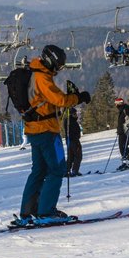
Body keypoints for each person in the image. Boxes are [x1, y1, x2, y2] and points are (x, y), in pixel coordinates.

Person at [17, 45, 90, 226]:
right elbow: (59, 99)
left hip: (35, 130)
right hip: (46, 129)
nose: (58, 70)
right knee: (57, 169)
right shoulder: (42, 77)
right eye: (57, 66)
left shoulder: (36, 73)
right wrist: (79, 98)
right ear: (50, 62)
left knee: (38, 171)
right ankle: (45, 211)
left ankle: (28, 212)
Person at [64, 106, 83, 177]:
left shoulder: (68, 121)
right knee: (78, 156)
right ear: (71, 114)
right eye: (74, 114)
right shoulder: (71, 122)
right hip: (74, 141)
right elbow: (74, 132)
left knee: (70, 157)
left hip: (69, 141)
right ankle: (74, 170)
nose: (76, 115)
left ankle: (66, 170)